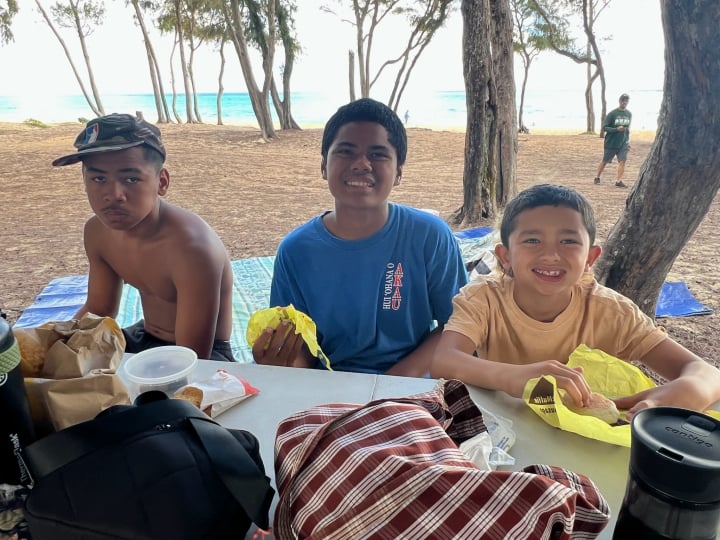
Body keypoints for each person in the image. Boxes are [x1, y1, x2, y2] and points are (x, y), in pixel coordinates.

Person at [430, 184, 720, 417]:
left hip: (590, 444)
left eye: (568, 241)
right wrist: (518, 378)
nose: (550, 255)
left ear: (590, 258)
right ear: (505, 256)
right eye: (532, 240)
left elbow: (708, 375)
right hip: (508, 432)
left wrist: (680, 393)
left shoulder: (612, 312)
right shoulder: (483, 298)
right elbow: (444, 361)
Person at [251, 98, 468, 376]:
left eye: (378, 154)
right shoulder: (296, 251)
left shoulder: (430, 235)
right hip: (331, 383)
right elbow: (302, 348)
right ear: (324, 166)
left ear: (398, 172)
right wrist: (282, 363)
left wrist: (391, 383)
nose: (362, 164)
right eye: (346, 151)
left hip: (410, 386)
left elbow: (457, 325)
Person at [53, 113, 235, 361]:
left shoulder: (191, 248)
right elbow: (99, 309)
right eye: (98, 178)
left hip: (203, 355)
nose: (113, 195)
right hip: (142, 336)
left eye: (131, 179)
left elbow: (192, 358)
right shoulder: (97, 232)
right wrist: (55, 343)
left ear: (162, 182)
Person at [594, 93, 632, 188]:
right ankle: (597, 177)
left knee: (623, 161)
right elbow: (605, 127)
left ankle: (618, 181)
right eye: (623, 101)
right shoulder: (612, 114)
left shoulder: (629, 114)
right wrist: (616, 129)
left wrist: (628, 141)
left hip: (623, 143)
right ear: (619, 101)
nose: (624, 103)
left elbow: (627, 129)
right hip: (611, 143)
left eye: (626, 101)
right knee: (605, 161)